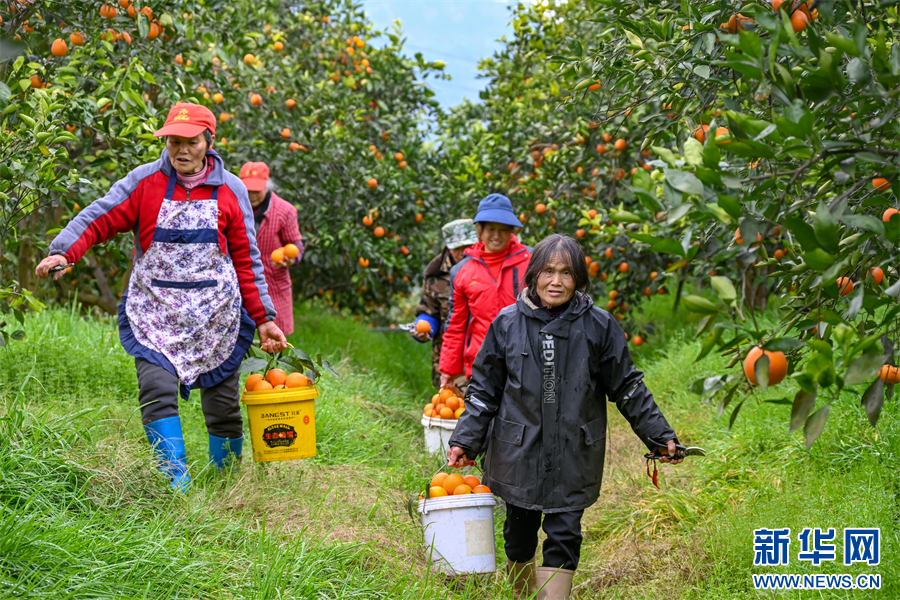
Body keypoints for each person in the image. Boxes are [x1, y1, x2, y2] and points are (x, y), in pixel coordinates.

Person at [36, 103, 286, 491]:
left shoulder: (231, 189)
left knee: (222, 408)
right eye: (173, 141)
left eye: (190, 142)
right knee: (156, 391)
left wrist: (265, 317)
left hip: (215, 318)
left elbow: (247, 260)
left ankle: (227, 487)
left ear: (208, 142)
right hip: (156, 314)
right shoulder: (145, 181)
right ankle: (176, 488)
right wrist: (64, 250)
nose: (181, 150)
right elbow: (101, 216)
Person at [446, 234, 682, 600]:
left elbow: (628, 387)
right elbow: (484, 389)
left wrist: (659, 435)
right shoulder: (507, 323)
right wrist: (466, 438)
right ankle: (523, 594)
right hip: (518, 451)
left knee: (565, 534)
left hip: (574, 451)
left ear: (579, 280)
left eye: (567, 274)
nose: (556, 281)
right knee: (518, 537)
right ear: (534, 275)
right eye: (548, 272)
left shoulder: (598, 326)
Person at [438, 194, 531, 389]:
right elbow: (456, 324)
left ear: (512, 232)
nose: (496, 236)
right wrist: (448, 369)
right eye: (491, 229)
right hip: (482, 363)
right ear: (480, 230)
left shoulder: (531, 261)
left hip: (528, 361)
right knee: (484, 417)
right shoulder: (462, 271)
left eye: (503, 230)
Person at [410, 218, 478, 390]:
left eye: (468, 246)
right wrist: (424, 328)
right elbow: (429, 310)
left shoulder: (486, 266)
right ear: (448, 247)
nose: (463, 252)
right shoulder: (436, 273)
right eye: (457, 248)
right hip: (450, 356)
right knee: (451, 407)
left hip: (482, 352)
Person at [240, 161, 304, 336]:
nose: (251, 195)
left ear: (267, 186)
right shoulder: (235, 206)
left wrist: (291, 259)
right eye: (248, 190)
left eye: (256, 190)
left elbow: (296, 245)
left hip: (273, 284)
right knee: (241, 339)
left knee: (275, 340)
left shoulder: (285, 211)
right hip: (241, 282)